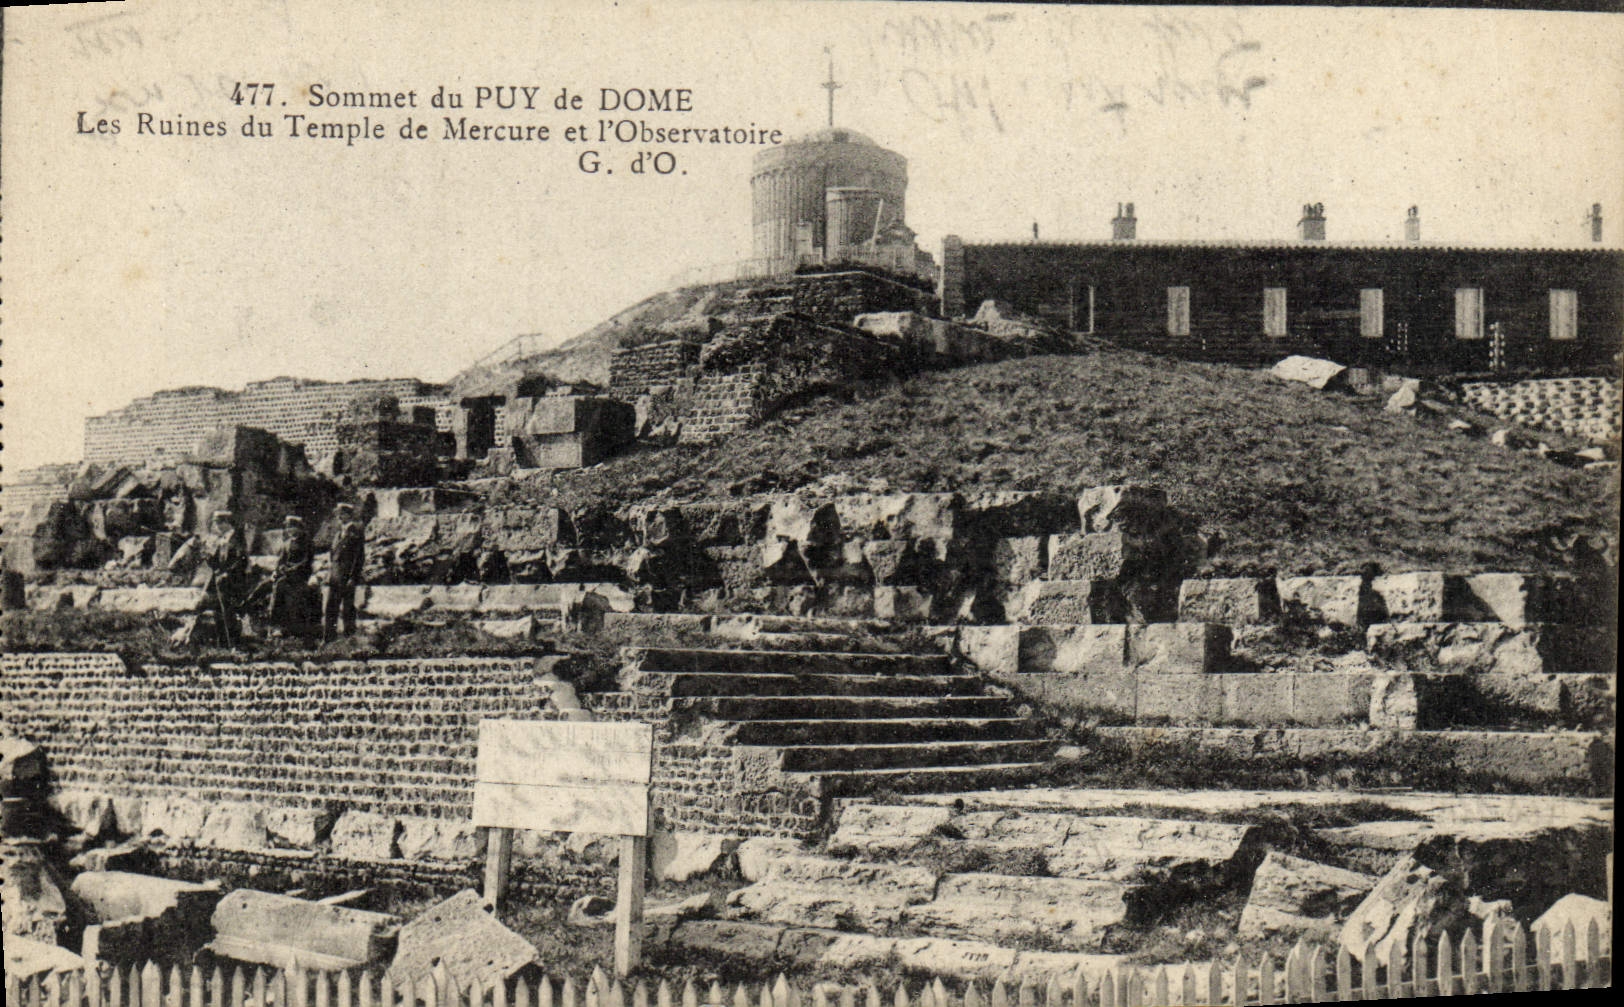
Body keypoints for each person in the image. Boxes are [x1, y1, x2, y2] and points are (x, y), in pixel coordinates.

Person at [200, 511, 250, 644]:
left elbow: (241, 561)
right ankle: (221, 642)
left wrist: (228, 573)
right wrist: (207, 557)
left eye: (219, 523)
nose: (218, 526)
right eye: (216, 523)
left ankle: (232, 642)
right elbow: (216, 562)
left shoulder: (237, 538)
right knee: (217, 610)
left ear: (227, 523)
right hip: (219, 581)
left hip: (233, 581)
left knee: (227, 611)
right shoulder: (221, 540)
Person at [323, 502, 366, 642]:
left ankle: (349, 638)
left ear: (349, 515)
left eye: (343, 514)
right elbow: (333, 557)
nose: (340, 517)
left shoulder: (355, 532)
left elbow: (358, 557)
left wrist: (353, 577)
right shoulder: (337, 534)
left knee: (348, 608)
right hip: (335, 576)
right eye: (338, 515)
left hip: (347, 576)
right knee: (331, 607)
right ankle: (329, 638)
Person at [266, 515, 314, 638]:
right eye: (288, 527)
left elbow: (306, 562)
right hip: (286, 574)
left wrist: (288, 570)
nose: (289, 530)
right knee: (266, 584)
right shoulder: (287, 543)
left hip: (300, 574)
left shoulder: (307, 542)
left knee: (279, 585)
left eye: (292, 527)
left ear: (299, 528)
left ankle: (276, 625)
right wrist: (277, 570)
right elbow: (281, 560)